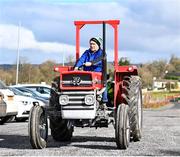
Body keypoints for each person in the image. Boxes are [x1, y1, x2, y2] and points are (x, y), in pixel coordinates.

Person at [74, 37, 108, 107]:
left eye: (93, 44)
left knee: (104, 83)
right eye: (90, 44)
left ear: (98, 45)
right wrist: (76, 67)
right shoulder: (87, 52)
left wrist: (91, 63)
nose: (92, 45)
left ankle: (104, 101)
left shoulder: (102, 53)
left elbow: (99, 59)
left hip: (98, 73)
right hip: (87, 74)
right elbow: (81, 59)